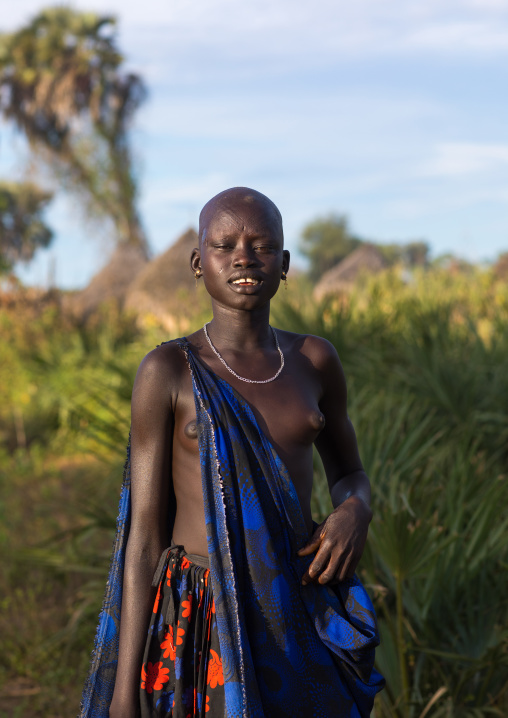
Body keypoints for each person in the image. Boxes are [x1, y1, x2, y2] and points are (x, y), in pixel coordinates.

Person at [80, 187, 384, 718]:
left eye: (262, 245)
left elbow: (349, 472)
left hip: (297, 601)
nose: (244, 256)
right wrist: (125, 692)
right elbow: (144, 537)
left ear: (284, 264)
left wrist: (356, 508)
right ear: (199, 264)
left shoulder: (314, 360)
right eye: (225, 245)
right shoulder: (169, 371)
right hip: (202, 615)